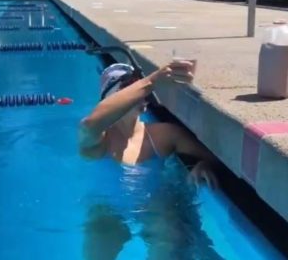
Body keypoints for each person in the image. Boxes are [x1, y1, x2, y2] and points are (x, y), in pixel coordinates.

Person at [78, 59, 220, 260]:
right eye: (131, 89)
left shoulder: (163, 136)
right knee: (98, 245)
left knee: (171, 237)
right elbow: (89, 124)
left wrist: (201, 164)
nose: (141, 94)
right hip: (107, 211)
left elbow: (217, 160)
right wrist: (153, 80)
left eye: (140, 86)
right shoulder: (100, 143)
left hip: (154, 208)